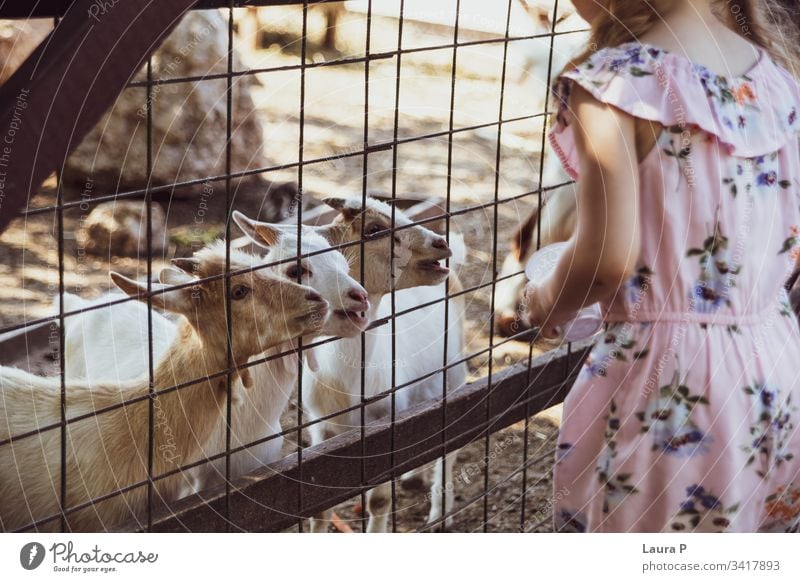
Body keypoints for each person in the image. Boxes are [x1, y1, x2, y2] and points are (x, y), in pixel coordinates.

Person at [524, 0, 800, 532]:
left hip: (670, 383)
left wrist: (546, 303)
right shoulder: (775, 78)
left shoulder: (616, 83)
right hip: (776, 364)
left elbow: (604, 261)